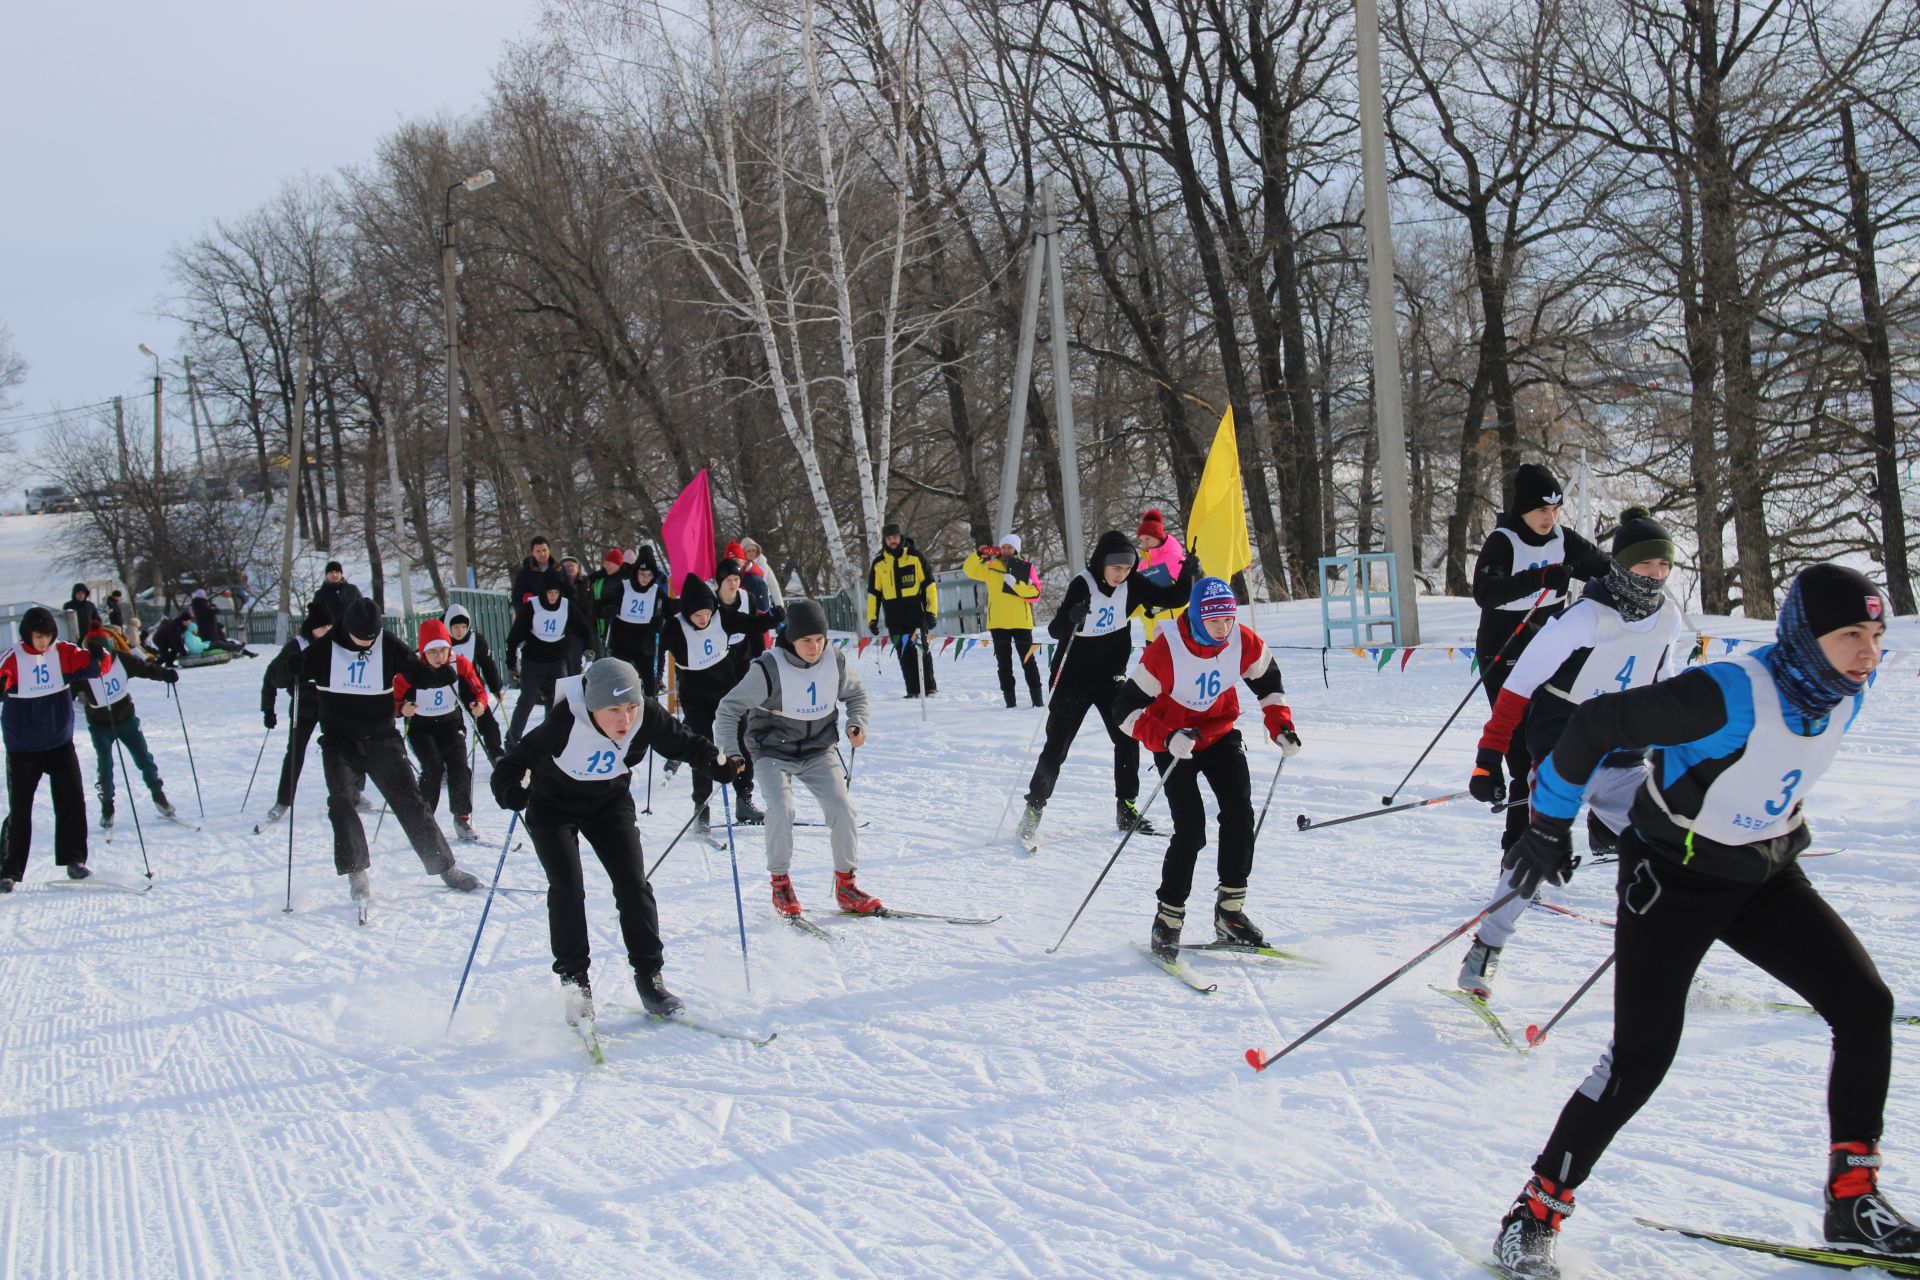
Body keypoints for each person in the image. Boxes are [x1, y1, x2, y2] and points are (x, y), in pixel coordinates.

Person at [1488, 565, 1913, 1279]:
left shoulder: (1847, 687)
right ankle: (1532, 1214)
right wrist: (1549, 823)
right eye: (1850, 636)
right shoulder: (1726, 693)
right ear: (1807, 637)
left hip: (1765, 873)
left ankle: (1852, 1200)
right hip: (1674, 881)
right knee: (1641, 1060)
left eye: (1876, 636)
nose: (1868, 653)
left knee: (1865, 1006)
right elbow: (1594, 723)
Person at [1456, 508, 1685, 999]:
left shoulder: (1668, 618)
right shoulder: (1584, 617)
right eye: (1647, 568)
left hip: (1625, 757)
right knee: (1538, 851)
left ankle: (1667, 956)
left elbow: (1663, 689)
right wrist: (1488, 758)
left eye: (1664, 569)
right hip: (1565, 750)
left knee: (1674, 850)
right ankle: (1485, 950)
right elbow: (1519, 685)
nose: (1657, 578)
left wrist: (1675, 758)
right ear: (1623, 567)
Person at [493, 657, 740, 1025]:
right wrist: (510, 791)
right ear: (593, 706)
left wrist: (715, 762)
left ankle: (650, 979)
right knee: (567, 888)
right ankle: (575, 987)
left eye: (631, 707)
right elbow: (512, 765)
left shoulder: (646, 715)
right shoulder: (565, 720)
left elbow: (685, 743)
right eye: (613, 710)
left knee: (633, 885)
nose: (625, 720)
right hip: (553, 806)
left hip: (608, 802)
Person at [1113, 577, 1301, 956]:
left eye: (1229, 619)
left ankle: (1230, 913)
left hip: (1220, 734)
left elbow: (1269, 684)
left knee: (1238, 814)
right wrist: (1164, 738)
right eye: (1214, 620)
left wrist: (1280, 726)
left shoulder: (1242, 640)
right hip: (1176, 742)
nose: (1223, 628)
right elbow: (1124, 710)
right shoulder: (1167, 650)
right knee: (1191, 830)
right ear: (1197, 616)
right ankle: (1168, 918)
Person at [1017, 529, 1198, 844]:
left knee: (1128, 736)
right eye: (1117, 568)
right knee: (1056, 748)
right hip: (1072, 680)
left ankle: (1126, 807)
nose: (1122, 574)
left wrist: (1186, 575)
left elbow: (1172, 599)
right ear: (1102, 563)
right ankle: (1033, 809)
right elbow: (1058, 629)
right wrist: (1073, 617)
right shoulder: (1082, 585)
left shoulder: (1132, 585)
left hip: (1110, 678)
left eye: (1127, 569)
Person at [300, 598, 483, 908]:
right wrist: (280, 682)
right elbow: (286, 669)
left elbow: (414, 669)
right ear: (348, 629)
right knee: (342, 802)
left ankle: (446, 868)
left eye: (373, 635)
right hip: (339, 741)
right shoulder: (326, 647)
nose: (369, 642)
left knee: (411, 802)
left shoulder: (386, 643)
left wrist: (440, 676)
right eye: (363, 637)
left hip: (381, 738)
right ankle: (356, 873)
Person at [1471, 463, 1613, 851]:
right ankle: (1516, 852)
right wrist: (1540, 578)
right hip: (1504, 648)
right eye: (1541, 510)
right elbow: (1486, 591)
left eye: (1554, 510)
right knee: (1522, 752)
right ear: (1523, 509)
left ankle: (1591, 833)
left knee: (1563, 741)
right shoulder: (1504, 541)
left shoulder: (1563, 539)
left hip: (1550, 646)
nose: (1549, 518)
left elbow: (1605, 567)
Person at [715, 598, 879, 918]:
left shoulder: (835, 660)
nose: (815, 647)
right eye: (807, 640)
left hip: (819, 749)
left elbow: (856, 695)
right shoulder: (768, 668)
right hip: (772, 751)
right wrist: (732, 752)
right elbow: (728, 709)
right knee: (781, 808)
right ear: (791, 637)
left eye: (820, 639)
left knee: (843, 809)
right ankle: (780, 884)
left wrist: (857, 722)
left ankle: (846, 885)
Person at [662, 572, 776, 839]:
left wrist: (775, 617)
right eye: (697, 615)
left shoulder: (721, 615)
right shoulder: (675, 627)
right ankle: (701, 806)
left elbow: (751, 624)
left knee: (740, 742)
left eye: (707, 613)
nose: (704, 618)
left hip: (727, 693)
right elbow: (656, 647)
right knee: (702, 749)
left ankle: (744, 799)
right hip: (695, 698)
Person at [0, 606, 100, 890]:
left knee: (72, 800)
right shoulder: (13, 657)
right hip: (23, 748)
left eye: (46, 635)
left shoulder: (63, 652)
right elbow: (3, 675)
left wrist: (98, 653)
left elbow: (95, 665)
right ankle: (8, 870)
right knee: (20, 810)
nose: (43, 641)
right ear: (27, 635)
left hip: (59, 742)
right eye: (37, 636)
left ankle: (75, 860)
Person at [393, 619, 498, 843]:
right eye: (432, 651)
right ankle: (424, 821)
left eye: (443, 650)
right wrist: (402, 708)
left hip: (450, 722)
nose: (439, 656)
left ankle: (462, 817)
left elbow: (477, 688)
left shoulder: (459, 663)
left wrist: (479, 704)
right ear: (423, 651)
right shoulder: (411, 668)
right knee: (433, 767)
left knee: (459, 765)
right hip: (421, 727)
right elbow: (392, 700)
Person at [76, 619, 178, 829]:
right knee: (105, 766)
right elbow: (67, 688)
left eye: (105, 654)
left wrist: (164, 674)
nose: (103, 661)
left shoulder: (120, 659)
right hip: (100, 725)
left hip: (126, 719)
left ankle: (158, 795)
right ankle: (107, 806)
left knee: (144, 758)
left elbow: (145, 669)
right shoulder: (83, 669)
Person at [711, 559, 779, 823]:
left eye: (737, 579)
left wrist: (759, 664)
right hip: (712, 679)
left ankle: (744, 798)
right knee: (712, 741)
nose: (734, 584)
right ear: (719, 582)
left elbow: (753, 630)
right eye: (729, 580)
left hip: (741, 677)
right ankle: (702, 805)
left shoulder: (747, 598)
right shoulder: (711, 603)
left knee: (744, 737)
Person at [259, 601, 335, 825]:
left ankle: (353, 794)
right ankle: (283, 801)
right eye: (322, 628)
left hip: (330, 705)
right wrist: (268, 710)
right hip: (304, 705)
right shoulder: (297, 646)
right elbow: (273, 676)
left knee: (343, 750)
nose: (326, 632)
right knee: (295, 753)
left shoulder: (337, 644)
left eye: (330, 628)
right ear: (311, 628)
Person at [505, 569, 593, 749]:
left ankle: (552, 738)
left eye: (556, 593)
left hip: (557, 662)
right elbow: (515, 636)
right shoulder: (532, 607)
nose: (553, 597)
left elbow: (583, 629)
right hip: (533, 662)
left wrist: (588, 647)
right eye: (549, 593)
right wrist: (511, 662)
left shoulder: (566, 606)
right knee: (527, 701)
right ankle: (512, 740)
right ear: (543, 592)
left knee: (557, 702)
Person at [962, 535, 1045, 708]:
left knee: (1028, 662)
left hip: (1021, 622)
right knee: (1004, 664)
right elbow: (969, 570)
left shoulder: (1026, 567)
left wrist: (1016, 585)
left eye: (1010, 547)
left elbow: (1035, 593)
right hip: (998, 623)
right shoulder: (990, 566)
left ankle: (1038, 701)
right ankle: (1010, 702)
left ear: (1016, 549)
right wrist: (978, 554)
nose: (1007, 550)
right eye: (1004, 547)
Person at [865, 522, 939, 697]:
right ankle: (912, 691)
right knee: (904, 655)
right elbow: (874, 594)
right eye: (889, 538)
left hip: (916, 615)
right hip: (894, 618)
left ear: (901, 537)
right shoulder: (879, 563)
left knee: (922, 652)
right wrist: (872, 619)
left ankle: (930, 689)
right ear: (884, 540)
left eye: (895, 537)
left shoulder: (915, 557)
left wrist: (931, 613)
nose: (893, 541)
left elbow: (929, 586)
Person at [599, 546, 666, 696]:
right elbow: (601, 606)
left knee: (650, 684)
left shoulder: (656, 591)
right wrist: (609, 609)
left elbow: (670, 609)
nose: (645, 578)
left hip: (645, 647)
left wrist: (660, 620)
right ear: (636, 572)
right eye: (642, 574)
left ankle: (650, 711)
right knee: (618, 680)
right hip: (622, 643)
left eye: (649, 575)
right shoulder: (624, 587)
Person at [444, 604, 506, 760]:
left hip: (469, 687)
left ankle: (496, 754)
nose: (460, 631)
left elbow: (487, 663)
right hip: (446, 689)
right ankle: (448, 762)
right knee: (451, 728)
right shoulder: (440, 640)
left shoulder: (475, 640)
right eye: (456, 627)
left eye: (464, 627)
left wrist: (495, 687)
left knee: (487, 721)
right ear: (448, 626)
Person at [558, 553, 593, 670]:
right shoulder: (557, 585)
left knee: (575, 660)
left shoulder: (586, 583)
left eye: (571, 566)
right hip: (562, 627)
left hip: (579, 626)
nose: (569, 568)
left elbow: (590, 603)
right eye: (565, 566)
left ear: (577, 568)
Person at [312, 561, 363, 625]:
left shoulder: (352, 590)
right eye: (331, 572)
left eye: (337, 572)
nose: (334, 575)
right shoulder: (320, 594)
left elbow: (362, 608)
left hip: (352, 630)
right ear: (326, 575)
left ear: (341, 574)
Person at [511, 536, 556, 605]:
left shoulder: (559, 569)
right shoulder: (524, 573)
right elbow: (517, 599)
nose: (542, 554)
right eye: (538, 551)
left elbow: (570, 593)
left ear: (549, 550)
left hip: (559, 613)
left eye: (544, 550)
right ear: (532, 553)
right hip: (536, 613)